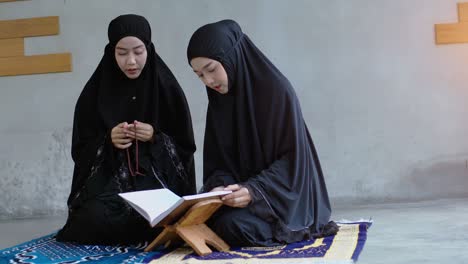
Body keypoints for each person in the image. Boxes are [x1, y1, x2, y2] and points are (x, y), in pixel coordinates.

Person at [186, 19, 338, 247]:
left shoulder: (277, 92)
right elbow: (218, 161)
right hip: (238, 199)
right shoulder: (219, 101)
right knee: (198, 219)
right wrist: (221, 187)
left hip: (284, 200)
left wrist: (253, 191)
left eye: (211, 69)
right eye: (199, 75)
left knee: (233, 227)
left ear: (231, 57)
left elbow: (294, 161)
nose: (208, 81)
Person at [56, 14, 196, 245]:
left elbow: (185, 147)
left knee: (170, 215)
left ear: (149, 49)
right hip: (111, 187)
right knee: (91, 220)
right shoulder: (94, 93)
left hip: (157, 186)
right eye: (122, 53)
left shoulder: (166, 88)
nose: (131, 61)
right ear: (111, 52)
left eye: (138, 51)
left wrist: (155, 137)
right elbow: (80, 150)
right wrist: (107, 140)